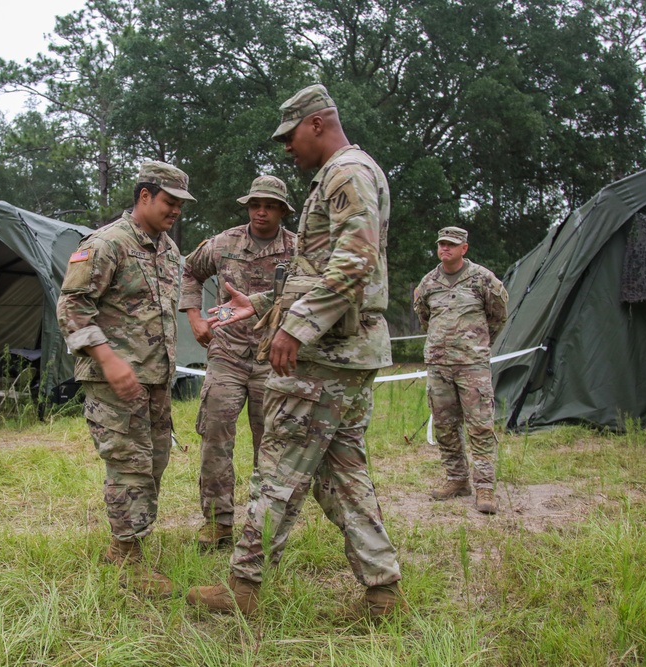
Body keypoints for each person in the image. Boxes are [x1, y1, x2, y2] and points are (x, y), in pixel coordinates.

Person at [186, 84, 404, 618]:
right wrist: (263, 304)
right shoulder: (342, 175)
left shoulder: (346, 172)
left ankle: (243, 588)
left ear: (315, 124)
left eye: (290, 137)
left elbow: (354, 261)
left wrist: (296, 328)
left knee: (277, 468)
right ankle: (382, 592)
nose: (287, 149)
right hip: (347, 350)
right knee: (342, 472)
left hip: (326, 355)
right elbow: (318, 272)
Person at [57, 161, 195, 597]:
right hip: (112, 378)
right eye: (169, 202)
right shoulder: (105, 244)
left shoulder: (170, 251)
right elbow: (72, 307)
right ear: (144, 196)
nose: (175, 211)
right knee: (127, 463)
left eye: (180, 205)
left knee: (154, 461)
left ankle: (126, 544)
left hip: (155, 379)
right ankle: (130, 560)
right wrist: (108, 358)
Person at [181, 175, 296, 550]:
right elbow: (189, 271)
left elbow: (314, 292)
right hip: (227, 357)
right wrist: (195, 318)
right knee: (215, 437)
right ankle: (217, 522)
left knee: (273, 445)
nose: (260, 212)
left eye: (269, 205)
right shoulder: (223, 243)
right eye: (254, 205)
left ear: (282, 210)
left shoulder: (298, 249)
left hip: (272, 359)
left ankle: (263, 525)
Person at [413, 226, 508, 514]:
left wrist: (475, 342)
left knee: (479, 425)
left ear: (464, 248)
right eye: (442, 244)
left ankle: (484, 487)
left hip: (472, 366)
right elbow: (424, 317)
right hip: (439, 365)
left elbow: (498, 314)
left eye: (452, 245)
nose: (446, 249)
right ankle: (457, 480)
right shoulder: (429, 282)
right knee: (445, 426)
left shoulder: (482, 279)